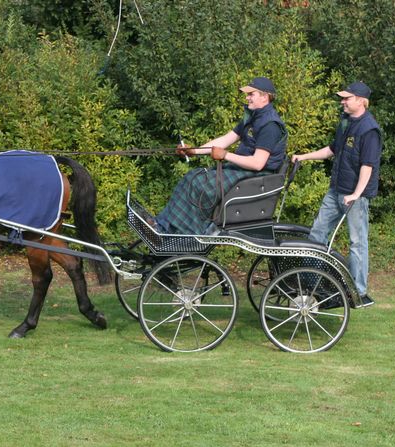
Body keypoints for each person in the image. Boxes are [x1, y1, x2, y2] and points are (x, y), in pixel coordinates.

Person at [154, 77, 288, 235]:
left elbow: (258, 163)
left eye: (251, 94)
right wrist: (194, 151)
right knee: (192, 176)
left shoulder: (270, 125)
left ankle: (188, 233)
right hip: (243, 170)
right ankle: (164, 226)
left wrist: (225, 155)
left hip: (255, 176)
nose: (247, 98)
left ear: (265, 97)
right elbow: (225, 139)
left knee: (199, 184)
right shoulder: (253, 117)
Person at [292, 81, 381, 307]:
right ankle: (311, 283)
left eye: (346, 98)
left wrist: (355, 194)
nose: (342, 101)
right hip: (335, 190)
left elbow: (367, 167)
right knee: (317, 234)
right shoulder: (345, 123)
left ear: (361, 101)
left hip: (355, 196)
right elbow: (332, 150)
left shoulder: (369, 129)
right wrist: (304, 157)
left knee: (357, 242)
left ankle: (359, 292)